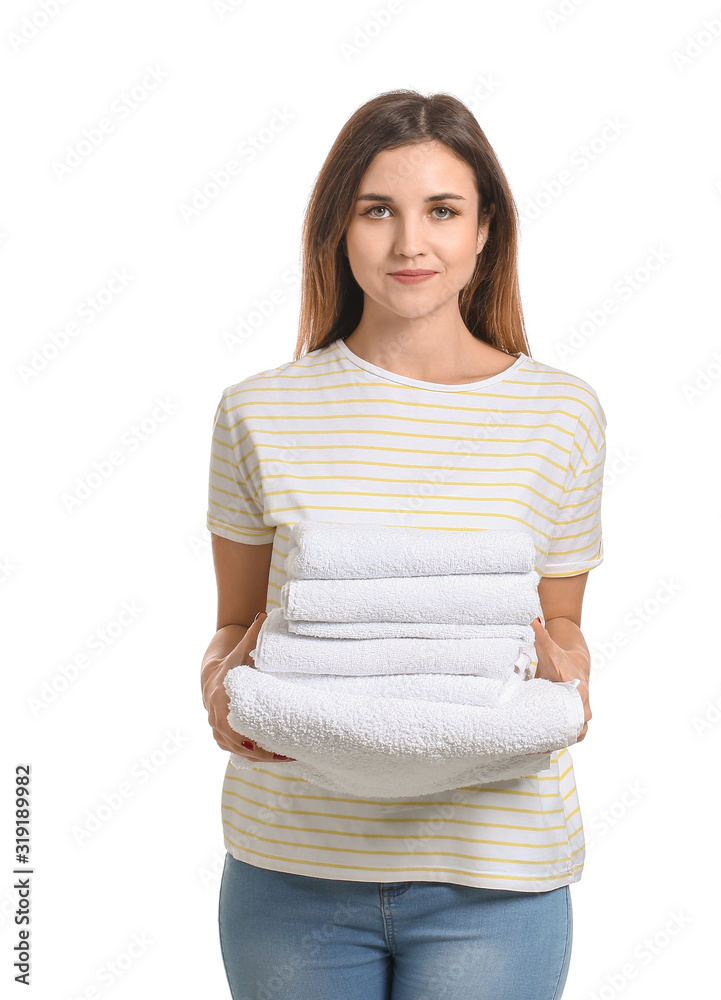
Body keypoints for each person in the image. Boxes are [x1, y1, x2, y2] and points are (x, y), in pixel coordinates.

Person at [201, 88, 607, 1000]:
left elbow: (559, 630)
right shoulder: (258, 410)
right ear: (338, 229)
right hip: (291, 860)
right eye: (377, 210)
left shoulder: (561, 414)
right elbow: (235, 628)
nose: (409, 243)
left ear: (484, 229)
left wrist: (569, 679)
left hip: (495, 870)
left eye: (441, 211)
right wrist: (219, 689)